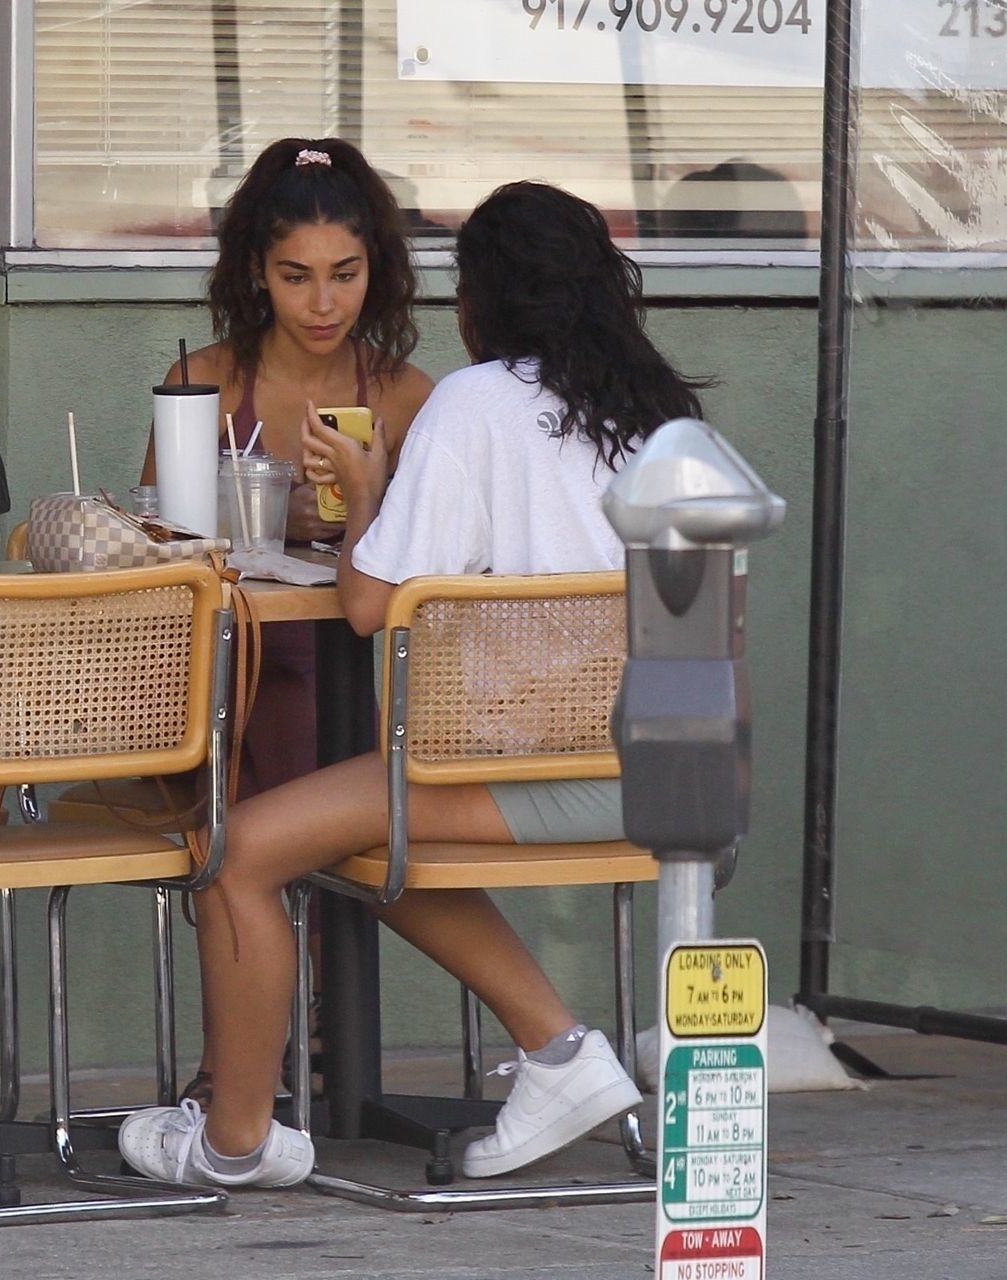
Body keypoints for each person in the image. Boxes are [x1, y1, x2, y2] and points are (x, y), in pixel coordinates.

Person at [118, 181, 713, 1189]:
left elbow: (366, 604)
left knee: (237, 851)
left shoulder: (470, 404)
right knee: (354, 838)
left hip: (527, 767)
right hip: (667, 768)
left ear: (481, 300)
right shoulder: (658, 412)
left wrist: (365, 489)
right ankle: (559, 1051)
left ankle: (234, 1140)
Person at [143, 137, 434, 799]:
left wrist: (366, 501)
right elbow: (154, 545)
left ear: (376, 267)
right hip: (206, 683)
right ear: (257, 270)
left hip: (347, 684)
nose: (323, 304)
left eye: (345, 274)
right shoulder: (203, 383)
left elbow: (435, 563)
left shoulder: (406, 394)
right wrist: (268, 517)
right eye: (296, 277)